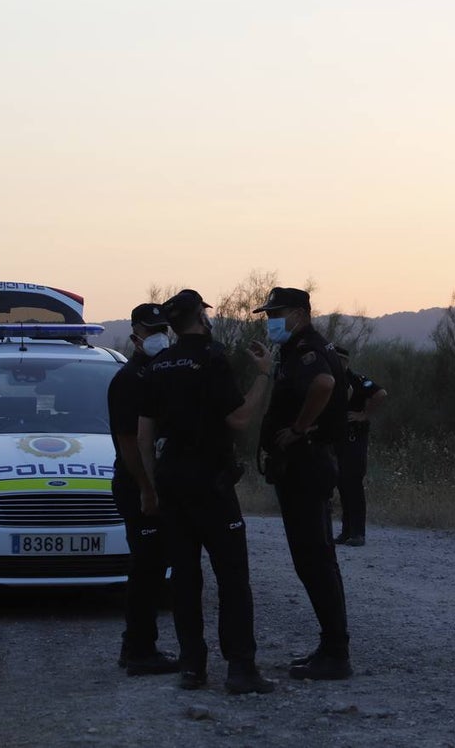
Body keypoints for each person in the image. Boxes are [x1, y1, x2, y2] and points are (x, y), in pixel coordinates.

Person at [137, 289, 276, 695]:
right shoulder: (211, 358)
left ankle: (192, 667)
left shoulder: (158, 365)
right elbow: (240, 417)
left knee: (184, 577)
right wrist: (264, 375)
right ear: (202, 315)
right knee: (232, 576)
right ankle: (240, 669)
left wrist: (150, 488)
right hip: (211, 485)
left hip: (171, 484)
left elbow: (145, 436)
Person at [253, 286, 353, 681]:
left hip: (307, 464)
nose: (270, 321)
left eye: (275, 313)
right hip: (301, 464)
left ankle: (335, 652)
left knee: (315, 560)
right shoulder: (296, 349)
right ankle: (329, 647)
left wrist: (298, 429)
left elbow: (326, 385)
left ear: (298, 313)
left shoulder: (309, 349)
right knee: (313, 560)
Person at [106, 303, 180, 676]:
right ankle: (137, 649)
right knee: (146, 567)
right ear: (135, 334)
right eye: (151, 331)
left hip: (157, 483)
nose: (158, 336)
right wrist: (146, 489)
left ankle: (142, 645)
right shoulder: (129, 379)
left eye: (163, 329)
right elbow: (129, 442)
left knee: (155, 565)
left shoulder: (162, 372)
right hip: (138, 483)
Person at [333, 346, 388, 547]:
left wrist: (363, 415)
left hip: (354, 438)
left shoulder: (356, 379)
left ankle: (358, 533)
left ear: (345, 361)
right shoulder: (331, 380)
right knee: (342, 484)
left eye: (339, 359)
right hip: (337, 439)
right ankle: (346, 531)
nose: (336, 363)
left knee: (353, 485)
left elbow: (380, 393)